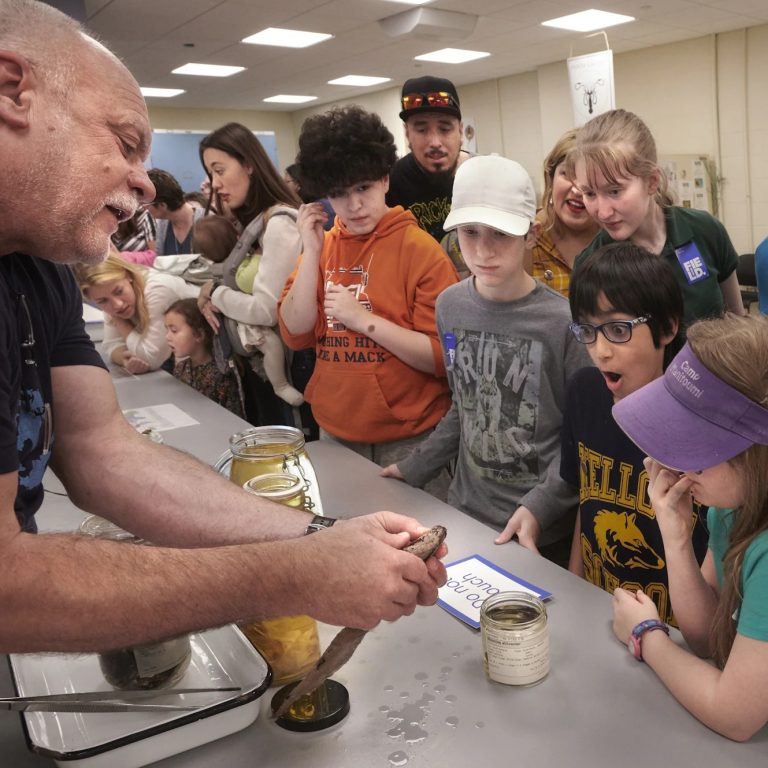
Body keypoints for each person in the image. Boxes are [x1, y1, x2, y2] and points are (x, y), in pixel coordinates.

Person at [0, 0, 445, 653]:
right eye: (124, 143)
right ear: (14, 90)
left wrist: (314, 536)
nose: (148, 186)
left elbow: (103, 451)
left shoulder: (38, 265)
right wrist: (298, 571)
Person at [382, 155, 589, 566]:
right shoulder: (451, 306)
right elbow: (465, 403)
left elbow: (580, 439)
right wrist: (415, 467)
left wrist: (542, 507)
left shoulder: (564, 322)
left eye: (500, 234)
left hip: (539, 526)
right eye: (469, 232)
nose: (482, 250)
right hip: (464, 512)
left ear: (531, 235)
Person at [278, 105, 458, 493]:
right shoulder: (322, 248)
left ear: (385, 180)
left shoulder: (421, 251)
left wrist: (364, 321)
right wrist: (310, 253)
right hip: (336, 430)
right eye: (340, 194)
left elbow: (443, 359)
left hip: (410, 437)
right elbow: (295, 333)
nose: (355, 205)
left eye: (364, 188)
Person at [610, 314, 768, 741]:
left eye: (691, 448)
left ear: (755, 454)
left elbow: (735, 717)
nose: (671, 465)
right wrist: (676, 538)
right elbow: (712, 643)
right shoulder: (733, 505)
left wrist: (648, 636)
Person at [561, 242, 709, 623]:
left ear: (668, 327)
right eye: (588, 331)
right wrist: (573, 589)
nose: (601, 351)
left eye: (618, 329)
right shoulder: (583, 392)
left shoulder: (704, 425)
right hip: (597, 613)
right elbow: (586, 502)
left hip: (676, 634)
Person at [568, 109, 745, 330]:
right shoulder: (590, 265)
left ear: (651, 182)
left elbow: (737, 322)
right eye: (590, 194)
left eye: (614, 191)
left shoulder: (704, 230)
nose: (602, 212)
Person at [197, 122, 304, 426]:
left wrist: (216, 294)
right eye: (210, 175)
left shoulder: (280, 223)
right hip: (260, 368)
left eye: (220, 170)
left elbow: (267, 310)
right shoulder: (253, 224)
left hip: (288, 367)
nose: (215, 184)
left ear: (249, 165)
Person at [192, 215, 303, 405]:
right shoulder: (239, 269)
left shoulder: (235, 263)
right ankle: (280, 385)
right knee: (271, 345)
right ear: (237, 237)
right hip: (245, 321)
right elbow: (257, 294)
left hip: (241, 312)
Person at [386, 75, 471, 278]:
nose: (435, 141)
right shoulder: (389, 186)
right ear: (407, 134)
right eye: (422, 129)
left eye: (445, 128)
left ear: (460, 130)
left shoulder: (480, 178)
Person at [75, 251, 199, 373]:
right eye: (102, 301)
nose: (117, 304)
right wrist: (126, 360)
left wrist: (120, 321)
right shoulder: (110, 293)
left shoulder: (158, 290)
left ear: (128, 275)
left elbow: (151, 359)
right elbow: (111, 345)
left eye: (118, 291)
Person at [526, 129, 598, 297]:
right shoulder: (525, 238)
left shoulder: (615, 240)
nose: (578, 190)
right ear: (550, 178)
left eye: (590, 180)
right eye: (568, 174)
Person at [164, 298, 244, 417]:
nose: (167, 337)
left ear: (199, 335)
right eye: (167, 330)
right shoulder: (181, 369)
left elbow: (233, 420)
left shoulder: (222, 377)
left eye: (174, 331)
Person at [147, 168, 206, 255]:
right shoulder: (162, 224)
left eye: (145, 205)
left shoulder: (206, 219)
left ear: (162, 205)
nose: (144, 209)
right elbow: (160, 260)